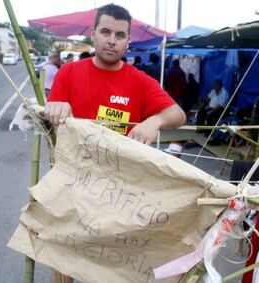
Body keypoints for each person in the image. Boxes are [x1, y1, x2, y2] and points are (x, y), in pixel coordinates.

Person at [45, 5, 185, 281]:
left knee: (110, 265)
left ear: (127, 41)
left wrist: (153, 121)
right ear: (94, 34)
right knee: (63, 260)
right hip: (72, 183)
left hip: (117, 191)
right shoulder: (69, 73)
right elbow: (52, 113)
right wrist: (56, 107)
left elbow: (177, 114)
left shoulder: (140, 81)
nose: (112, 40)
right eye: (106, 32)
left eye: (120, 35)